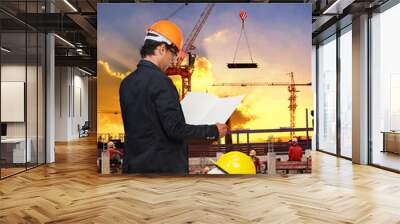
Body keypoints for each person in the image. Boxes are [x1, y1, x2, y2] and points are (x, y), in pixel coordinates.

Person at [119, 20, 228, 174]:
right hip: (164, 171)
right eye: (174, 54)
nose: (174, 60)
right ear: (162, 49)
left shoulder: (126, 83)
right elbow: (175, 130)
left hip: (134, 168)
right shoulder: (162, 82)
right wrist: (213, 131)